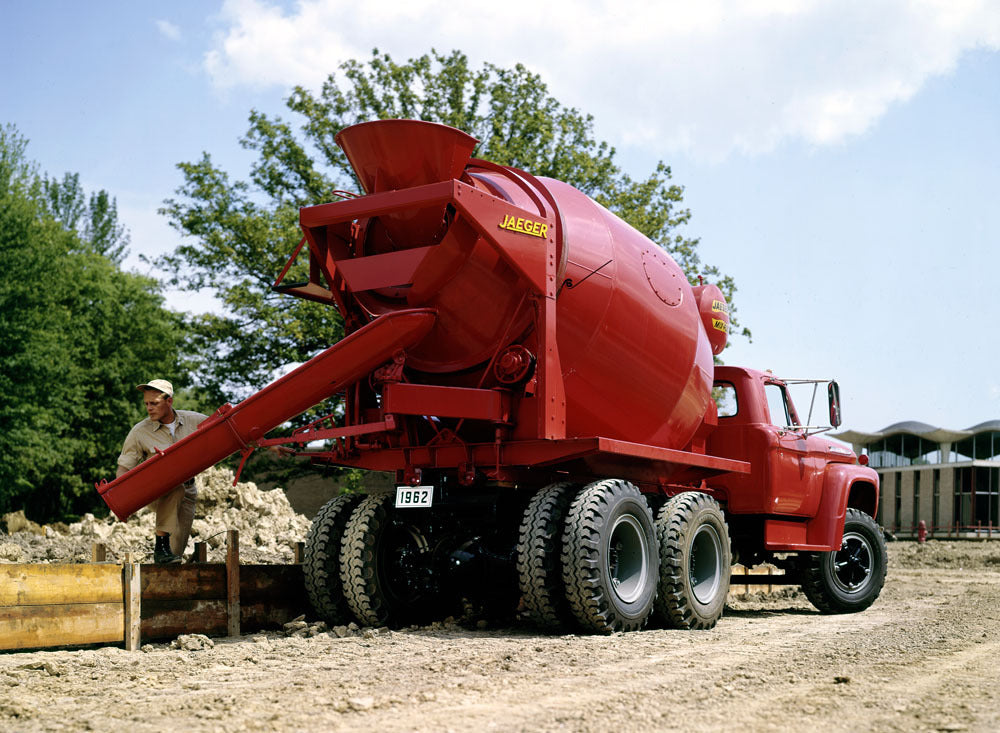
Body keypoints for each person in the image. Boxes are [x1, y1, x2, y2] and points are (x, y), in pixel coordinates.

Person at [117, 379, 207, 564]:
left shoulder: (194, 421)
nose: (149, 408)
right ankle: (160, 545)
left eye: (154, 403)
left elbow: (228, 429)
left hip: (188, 491)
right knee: (174, 487)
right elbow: (124, 467)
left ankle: (164, 568)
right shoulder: (140, 432)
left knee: (174, 554)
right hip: (156, 492)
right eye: (146, 404)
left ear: (169, 401)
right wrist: (123, 500)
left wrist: (269, 446)